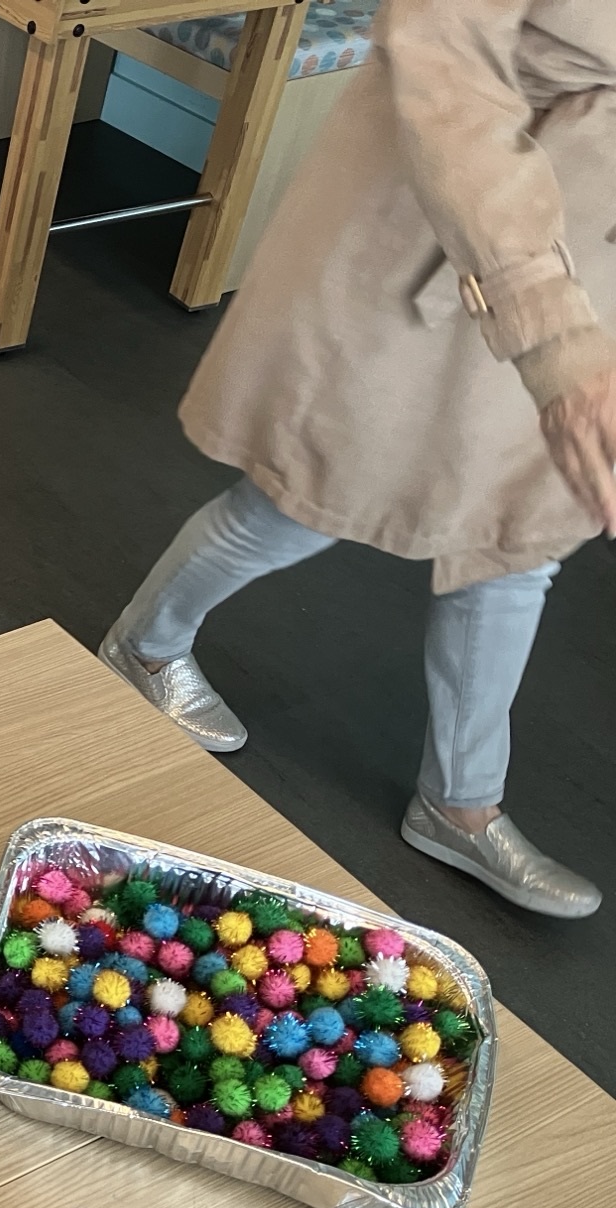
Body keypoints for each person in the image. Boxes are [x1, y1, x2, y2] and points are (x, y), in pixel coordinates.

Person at [99, 0, 616, 919]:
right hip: (448, 203)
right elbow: (447, 62)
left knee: (517, 533)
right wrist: (551, 330)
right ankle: (146, 645)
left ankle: (461, 801)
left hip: (594, 242)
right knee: (306, 493)